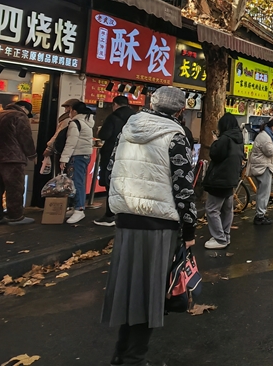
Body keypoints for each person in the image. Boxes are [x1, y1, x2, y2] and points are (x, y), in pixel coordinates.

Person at [101, 86, 197, 366]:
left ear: (151, 105)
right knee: (150, 291)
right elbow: (183, 188)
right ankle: (134, 357)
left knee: (128, 288)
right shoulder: (175, 136)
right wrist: (189, 230)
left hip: (125, 219)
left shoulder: (128, 128)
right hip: (159, 223)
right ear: (180, 110)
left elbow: (108, 173)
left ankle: (121, 353)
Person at [0, 100, 37, 226]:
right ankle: (15, 217)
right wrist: (32, 155)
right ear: (24, 108)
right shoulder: (19, 116)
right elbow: (25, 137)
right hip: (13, 159)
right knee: (15, 188)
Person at [203, 113, 244, 250]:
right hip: (231, 179)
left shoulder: (225, 139)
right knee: (227, 209)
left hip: (219, 179)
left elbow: (215, 154)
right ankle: (225, 236)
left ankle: (220, 238)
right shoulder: (238, 139)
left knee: (212, 209)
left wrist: (216, 141)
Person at [94, 96, 135, 227]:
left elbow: (104, 135)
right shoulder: (136, 118)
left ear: (115, 105)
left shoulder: (112, 117)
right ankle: (125, 214)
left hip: (113, 155)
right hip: (131, 155)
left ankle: (110, 215)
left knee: (111, 184)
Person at [60, 102, 95, 224]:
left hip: (77, 155)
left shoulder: (75, 123)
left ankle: (79, 209)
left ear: (74, 111)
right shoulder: (87, 122)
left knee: (77, 182)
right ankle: (76, 207)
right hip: (84, 155)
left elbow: (71, 142)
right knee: (78, 182)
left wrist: (64, 158)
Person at [247, 119, 273, 225]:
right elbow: (271, 152)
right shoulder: (265, 137)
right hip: (263, 167)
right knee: (264, 192)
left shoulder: (265, 135)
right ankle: (260, 216)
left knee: (261, 192)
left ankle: (260, 214)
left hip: (262, 166)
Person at [43, 98, 80, 163]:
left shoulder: (67, 120)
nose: (65, 110)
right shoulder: (76, 120)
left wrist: (49, 148)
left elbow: (58, 135)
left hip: (62, 150)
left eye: (67, 107)